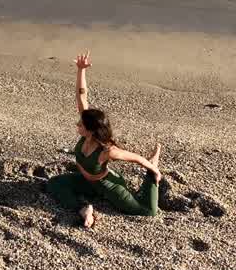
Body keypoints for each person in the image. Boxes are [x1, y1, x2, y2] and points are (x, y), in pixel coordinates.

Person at [46, 51, 162, 229]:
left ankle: (150, 179)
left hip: (107, 186)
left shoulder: (107, 150)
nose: (77, 125)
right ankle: (84, 208)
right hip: (87, 182)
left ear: (91, 130)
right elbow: (81, 96)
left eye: (80, 125)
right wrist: (80, 70)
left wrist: (152, 169)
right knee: (54, 184)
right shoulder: (87, 132)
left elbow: (136, 158)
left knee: (147, 211)